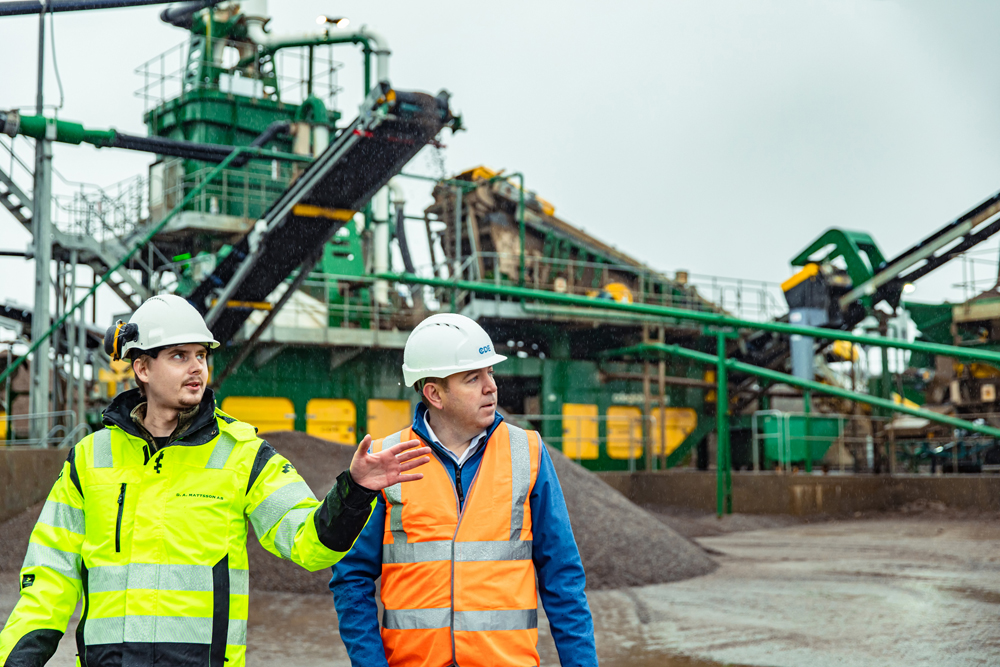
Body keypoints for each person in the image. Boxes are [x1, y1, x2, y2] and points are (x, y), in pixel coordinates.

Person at [0, 294, 430, 667]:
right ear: (143, 368)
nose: (196, 368)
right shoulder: (90, 459)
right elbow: (49, 576)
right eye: (179, 356)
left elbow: (308, 545)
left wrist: (353, 492)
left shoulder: (241, 454)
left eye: (201, 355)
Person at [331, 313, 598, 666]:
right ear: (434, 394)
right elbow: (351, 579)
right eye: (473, 378)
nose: (492, 387)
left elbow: (563, 578)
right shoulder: (387, 463)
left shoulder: (527, 453)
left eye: (490, 372)